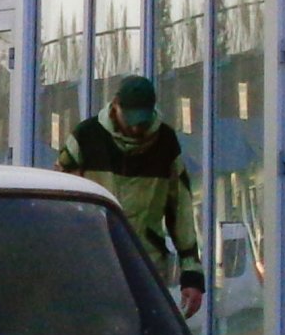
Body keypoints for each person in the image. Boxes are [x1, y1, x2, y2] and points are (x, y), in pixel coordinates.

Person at [57, 74, 205, 318]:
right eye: (132, 119)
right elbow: (60, 194)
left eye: (143, 120)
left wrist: (192, 273)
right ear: (116, 105)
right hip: (92, 262)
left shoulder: (165, 143)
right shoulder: (86, 136)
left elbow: (181, 210)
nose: (137, 127)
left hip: (146, 266)